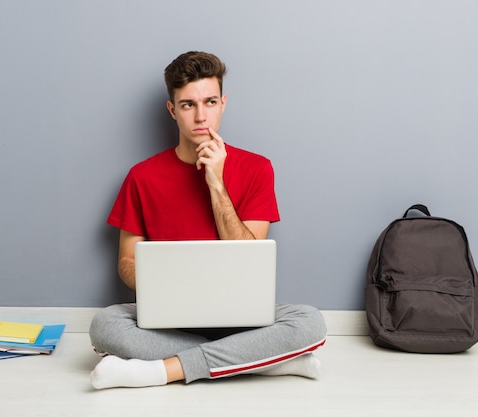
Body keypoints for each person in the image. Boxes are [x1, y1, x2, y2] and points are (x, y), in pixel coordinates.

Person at [89, 51, 327, 389]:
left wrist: (216, 182)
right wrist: (167, 285)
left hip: (241, 320)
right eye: (188, 105)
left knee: (309, 322)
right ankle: (261, 362)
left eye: (210, 102)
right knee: (106, 324)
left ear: (223, 103)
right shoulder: (141, 177)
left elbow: (249, 260)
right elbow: (126, 261)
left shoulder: (257, 168)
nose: (202, 116)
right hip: (169, 321)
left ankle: (160, 371)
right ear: (172, 110)